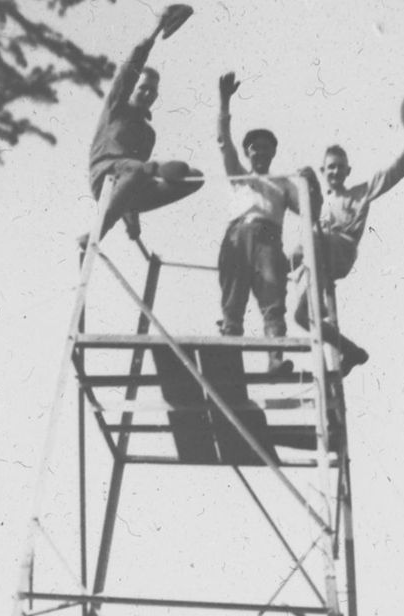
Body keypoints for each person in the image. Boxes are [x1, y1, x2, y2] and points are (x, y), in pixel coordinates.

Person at [293, 133, 404, 374]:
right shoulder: (320, 205)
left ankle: (317, 298)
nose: (335, 172)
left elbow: (389, 175)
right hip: (319, 259)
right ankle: (351, 351)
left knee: (312, 238)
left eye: (340, 168)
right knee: (301, 316)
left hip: (342, 249)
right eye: (330, 167)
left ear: (348, 171)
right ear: (324, 170)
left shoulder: (358, 194)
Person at [88, 6, 203, 242]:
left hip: (131, 182)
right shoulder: (117, 107)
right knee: (143, 169)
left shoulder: (148, 134)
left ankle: (159, 173)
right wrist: (156, 30)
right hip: (105, 175)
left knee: (194, 176)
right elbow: (130, 69)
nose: (148, 93)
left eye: (153, 90)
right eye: (143, 88)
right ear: (131, 91)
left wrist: (132, 220)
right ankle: (96, 233)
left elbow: (135, 178)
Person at [216, 72, 304, 378]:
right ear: (248, 152)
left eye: (266, 147)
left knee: (273, 298)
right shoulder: (239, 176)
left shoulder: (282, 184)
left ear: (274, 152)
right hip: (238, 237)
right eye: (255, 147)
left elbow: (309, 210)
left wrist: (311, 185)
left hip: (268, 240)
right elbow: (224, 143)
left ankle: (275, 359)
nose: (261, 152)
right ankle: (228, 362)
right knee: (232, 301)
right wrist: (225, 101)